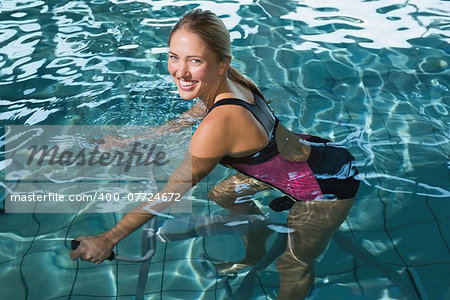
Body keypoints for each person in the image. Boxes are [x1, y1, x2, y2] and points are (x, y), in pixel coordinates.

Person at [70, 9, 359, 299]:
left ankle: (269, 246)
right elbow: (189, 117)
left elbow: (173, 191)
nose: (180, 71)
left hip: (325, 186)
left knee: (293, 264)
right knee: (223, 194)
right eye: (174, 56)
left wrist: (108, 238)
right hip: (308, 157)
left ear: (221, 64)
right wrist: (132, 140)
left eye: (194, 61)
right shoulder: (229, 83)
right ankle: (254, 249)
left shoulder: (218, 125)